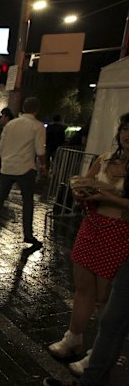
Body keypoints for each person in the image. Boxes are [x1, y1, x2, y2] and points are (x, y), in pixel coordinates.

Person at [46, 113, 129, 377]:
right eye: (125, 129)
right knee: (82, 288)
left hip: (119, 233)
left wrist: (106, 195)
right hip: (91, 226)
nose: (128, 135)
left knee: (106, 299)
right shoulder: (104, 159)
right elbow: (85, 183)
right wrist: (81, 192)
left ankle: (98, 352)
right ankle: (74, 337)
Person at [0, 97, 46, 247]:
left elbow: (1, 148)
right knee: (27, 201)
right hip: (25, 168)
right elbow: (40, 150)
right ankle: (28, 235)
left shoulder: (10, 125)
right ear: (36, 110)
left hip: (7, 166)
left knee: (0, 197)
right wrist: (43, 165)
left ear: (23, 108)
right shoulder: (38, 126)